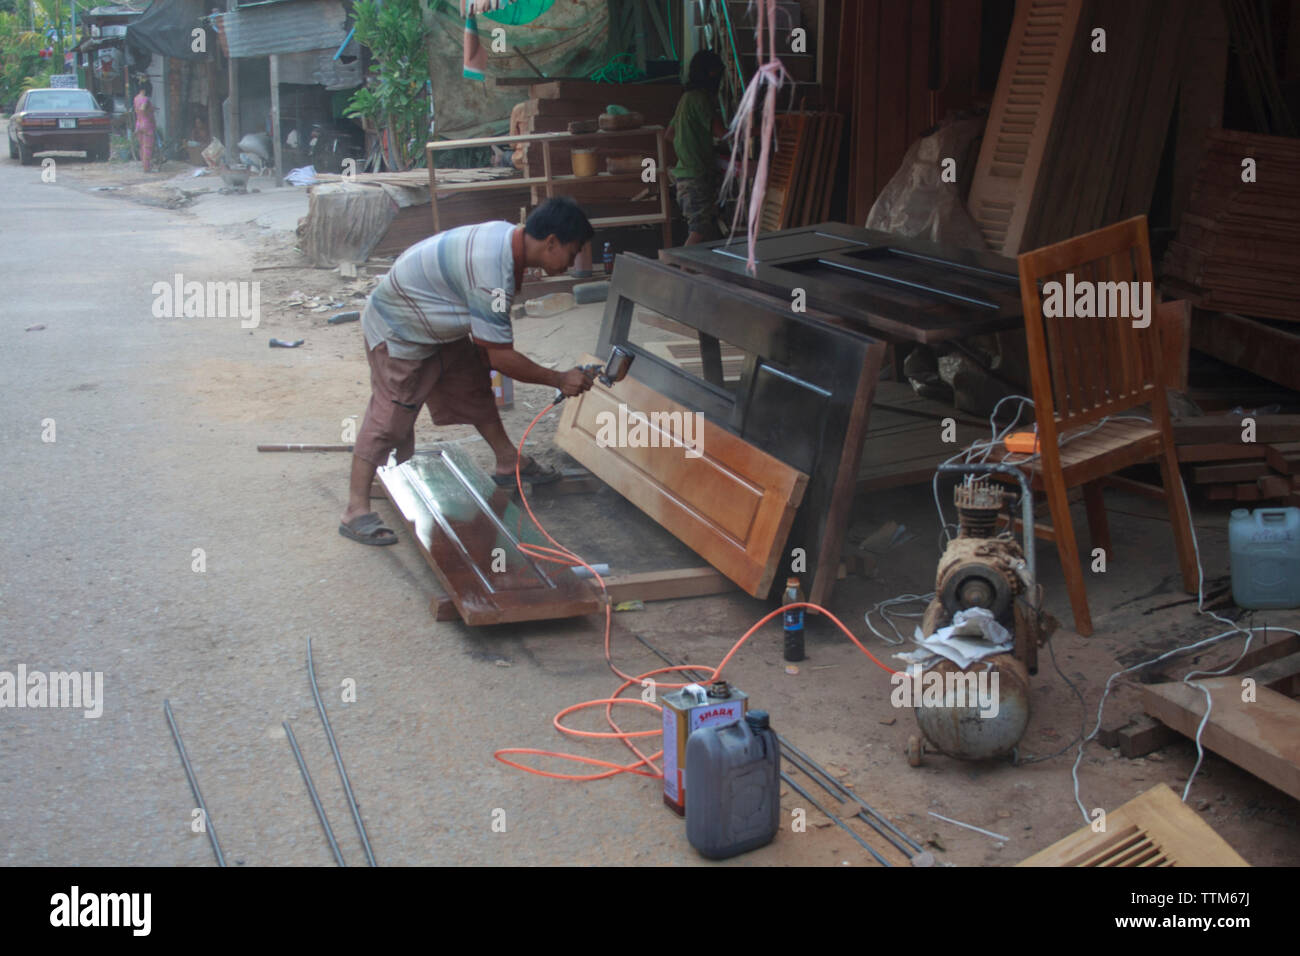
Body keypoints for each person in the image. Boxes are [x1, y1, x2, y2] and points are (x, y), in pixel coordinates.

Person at [339, 196, 596, 546]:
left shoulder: (508, 242)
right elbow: (501, 358)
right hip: (399, 327)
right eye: (572, 251)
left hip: (436, 322)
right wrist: (559, 378)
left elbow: (490, 353)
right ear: (551, 242)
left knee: (473, 386)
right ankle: (355, 510)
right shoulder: (493, 270)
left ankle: (509, 460)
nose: (571, 262)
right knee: (391, 417)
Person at [666, 50, 727, 245]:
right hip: (695, 178)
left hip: (684, 176)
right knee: (699, 230)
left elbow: (670, 134)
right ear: (711, 73)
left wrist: (695, 145)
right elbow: (723, 134)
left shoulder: (686, 99)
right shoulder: (701, 99)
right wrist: (762, 129)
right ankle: (682, 273)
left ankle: (689, 271)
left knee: (705, 230)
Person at [133, 78, 156, 173]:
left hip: (138, 124)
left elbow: (137, 110)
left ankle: (144, 166)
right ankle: (147, 168)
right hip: (147, 124)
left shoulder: (136, 98)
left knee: (142, 146)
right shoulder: (145, 99)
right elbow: (143, 108)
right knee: (148, 146)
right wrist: (147, 110)